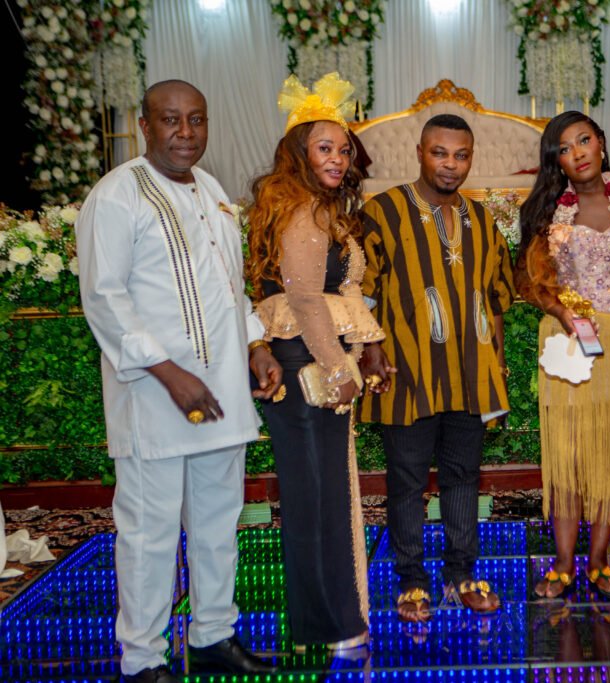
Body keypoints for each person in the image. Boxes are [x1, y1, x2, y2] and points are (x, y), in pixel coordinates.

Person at [76, 80, 281, 683]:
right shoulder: (117, 195)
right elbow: (104, 298)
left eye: (196, 119)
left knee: (219, 523)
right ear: (145, 126)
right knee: (150, 533)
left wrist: (256, 345)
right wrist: (169, 374)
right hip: (154, 396)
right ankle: (143, 658)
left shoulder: (212, 190)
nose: (185, 132)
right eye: (171, 120)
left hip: (222, 392)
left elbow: (229, 286)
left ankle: (213, 634)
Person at [244, 73, 383, 656]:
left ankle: (324, 623)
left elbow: (332, 295)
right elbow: (303, 299)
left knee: (319, 492)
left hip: (310, 358)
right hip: (306, 363)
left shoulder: (316, 207)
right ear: (299, 153)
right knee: (316, 496)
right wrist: (339, 369)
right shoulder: (303, 210)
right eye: (325, 147)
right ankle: (331, 625)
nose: (337, 158)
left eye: (343, 149)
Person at [359, 114, 515, 622]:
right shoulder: (382, 213)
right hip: (407, 372)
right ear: (420, 152)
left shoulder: (482, 219)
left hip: (470, 372)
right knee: (406, 479)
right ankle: (411, 578)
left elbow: (495, 298)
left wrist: (497, 361)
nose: (451, 165)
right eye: (440, 153)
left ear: (471, 158)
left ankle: (461, 572)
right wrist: (370, 349)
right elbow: (360, 292)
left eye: (461, 155)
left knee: (463, 475)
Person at [515, 111, 610, 602]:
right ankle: (562, 563)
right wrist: (563, 312)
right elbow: (528, 280)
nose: (577, 153)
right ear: (557, 161)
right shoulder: (548, 209)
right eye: (565, 148)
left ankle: (598, 560)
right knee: (569, 454)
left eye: (584, 140)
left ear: (601, 141)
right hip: (569, 343)